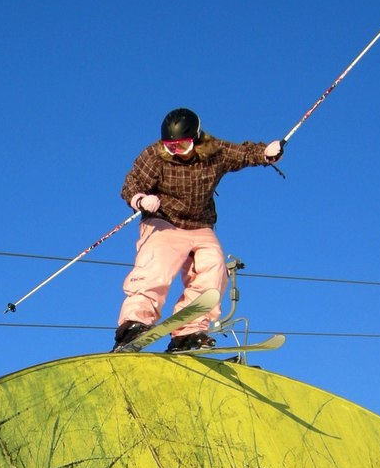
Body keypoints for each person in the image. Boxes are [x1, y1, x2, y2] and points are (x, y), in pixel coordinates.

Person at [113, 108, 284, 351]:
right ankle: (135, 322)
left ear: (195, 138)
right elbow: (131, 184)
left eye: (181, 146)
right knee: (156, 264)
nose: (175, 151)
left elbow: (243, 153)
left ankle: (189, 331)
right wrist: (139, 199)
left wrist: (266, 153)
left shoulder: (214, 152)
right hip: (164, 221)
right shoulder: (155, 156)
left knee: (214, 266)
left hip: (200, 224)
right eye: (171, 146)